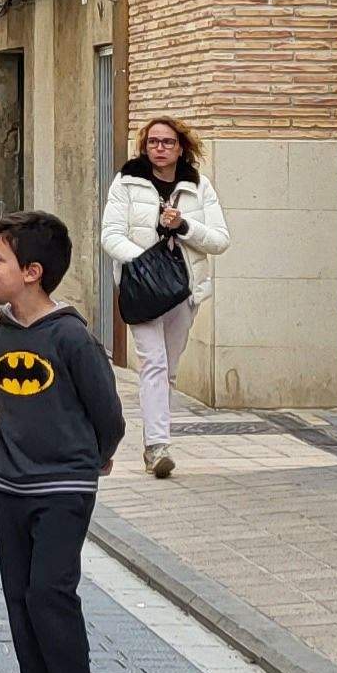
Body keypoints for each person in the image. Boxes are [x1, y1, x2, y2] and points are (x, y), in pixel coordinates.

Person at [0, 209, 122, 673]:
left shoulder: (72, 338)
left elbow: (107, 413)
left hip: (63, 485)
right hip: (8, 486)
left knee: (49, 591)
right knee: (18, 595)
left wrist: (94, 458)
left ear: (32, 272)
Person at [97, 117, 228, 481]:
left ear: (180, 147)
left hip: (184, 291)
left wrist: (183, 225)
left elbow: (220, 240)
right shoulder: (126, 182)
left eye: (167, 142)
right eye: (153, 142)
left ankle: (155, 439)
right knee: (152, 363)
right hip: (141, 288)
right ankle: (158, 447)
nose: (160, 148)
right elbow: (110, 234)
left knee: (167, 368)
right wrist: (142, 264)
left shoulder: (198, 187)